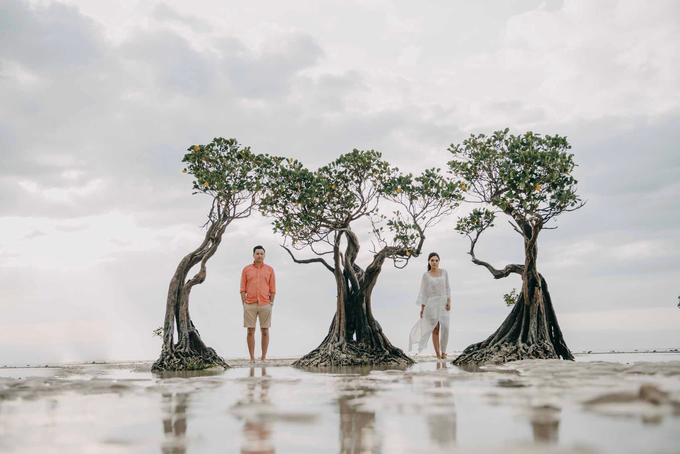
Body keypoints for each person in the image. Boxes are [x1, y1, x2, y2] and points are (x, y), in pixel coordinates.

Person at [408, 252, 451, 359]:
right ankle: (438, 354)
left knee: (445, 327)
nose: (434, 262)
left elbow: (447, 288)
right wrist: (422, 308)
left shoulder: (444, 272)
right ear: (429, 261)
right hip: (431, 303)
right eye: (432, 260)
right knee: (435, 328)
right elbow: (423, 292)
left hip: (443, 302)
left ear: (439, 261)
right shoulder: (426, 275)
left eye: (436, 260)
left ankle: (444, 352)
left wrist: (449, 301)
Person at [240, 245, 276, 363]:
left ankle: (264, 357)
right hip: (249, 303)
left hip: (265, 303)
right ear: (253, 255)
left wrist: (271, 303)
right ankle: (251, 358)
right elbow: (242, 287)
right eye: (257, 253)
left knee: (265, 330)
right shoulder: (246, 269)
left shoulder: (270, 270)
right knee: (250, 330)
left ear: (264, 255)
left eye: (261, 253)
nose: (259, 255)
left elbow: (273, 288)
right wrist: (244, 303)